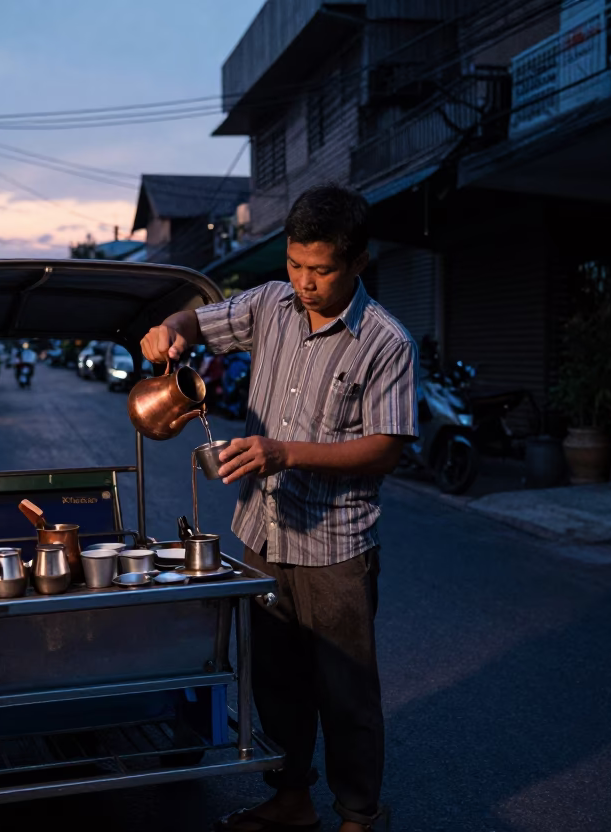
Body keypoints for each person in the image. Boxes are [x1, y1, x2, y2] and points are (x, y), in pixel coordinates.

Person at [140, 184, 417, 832]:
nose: (304, 282)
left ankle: (358, 815)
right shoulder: (269, 304)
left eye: (319, 270)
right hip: (261, 536)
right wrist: (169, 333)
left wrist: (284, 453)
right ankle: (291, 799)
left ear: (358, 262)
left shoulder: (385, 342)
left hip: (336, 546)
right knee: (276, 683)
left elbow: (386, 450)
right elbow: (194, 322)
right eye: (295, 265)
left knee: (345, 692)